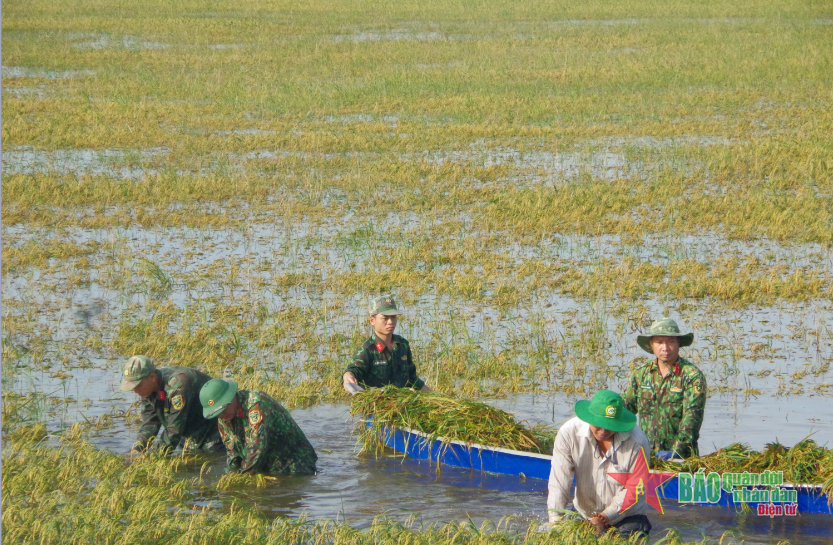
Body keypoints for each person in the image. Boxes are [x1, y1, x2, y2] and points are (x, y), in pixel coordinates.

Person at [546, 390, 653, 538]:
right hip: (585, 513)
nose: (603, 431)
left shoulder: (636, 442)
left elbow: (635, 489)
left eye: (610, 425)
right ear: (590, 417)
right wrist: (556, 524)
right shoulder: (568, 434)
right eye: (599, 424)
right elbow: (559, 482)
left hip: (626, 516)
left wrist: (604, 517)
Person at [622, 318, 707, 458]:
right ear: (651, 344)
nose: (665, 348)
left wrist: (677, 451)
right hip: (646, 453)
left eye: (671, 341)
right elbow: (626, 409)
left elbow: (692, 418)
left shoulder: (691, 376)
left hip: (681, 458)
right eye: (659, 342)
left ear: (679, 343)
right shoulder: (641, 374)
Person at [199, 378, 317, 475]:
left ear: (232, 397)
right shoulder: (224, 419)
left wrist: (242, 476)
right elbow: (232, 451)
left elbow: (256, 446)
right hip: (266, 464)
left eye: (223, 409)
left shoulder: (256, 404)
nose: (222, 415)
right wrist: (231, 474)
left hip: (293, 463)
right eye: (216, 413)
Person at [120, 355, 222, 453]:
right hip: (189, 430)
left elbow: (174, 428)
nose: (135, 391)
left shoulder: (178, 386)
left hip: (214, 429)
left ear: (152, 377)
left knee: (211, 460)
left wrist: (154, 456)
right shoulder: (147, 390)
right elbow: (150, 422)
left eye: (138, 385)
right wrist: (138, 449)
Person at [342, 295, 431, 394]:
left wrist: (435, 397)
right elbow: (354, 370)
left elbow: (412, 379)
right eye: (385, 318)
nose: (390, 322)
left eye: (393, 317)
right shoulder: (367, 350)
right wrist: (348, 375)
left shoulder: (402, 345)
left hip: (403, 403)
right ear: (372, 320)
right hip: (377, 405)